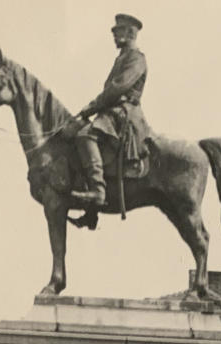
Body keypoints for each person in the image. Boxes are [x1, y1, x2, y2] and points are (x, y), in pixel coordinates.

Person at [68, 14, 150, 206]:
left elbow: (116, 88)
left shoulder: (136, 59)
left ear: (130, 33)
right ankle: (91, 211)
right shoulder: (122, 58)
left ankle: (98, 191)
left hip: (124, 113)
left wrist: (90, 108)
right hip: (114, 111)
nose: (114, 35)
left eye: (118, 31)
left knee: (85, 136)